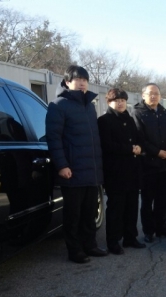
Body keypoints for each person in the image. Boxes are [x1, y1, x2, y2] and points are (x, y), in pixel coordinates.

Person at [46, 65, 107, 264]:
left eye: (84, 79)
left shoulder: (89, 106)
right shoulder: (58, 105)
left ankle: (90, 245)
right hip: (72, 171)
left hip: (91, 170)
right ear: (67, 82)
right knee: (73, 214)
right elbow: (54, 139)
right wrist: (62, 165)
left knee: (90, 212)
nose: (82, 83)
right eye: (77, 79)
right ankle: (75, 250)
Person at [97, 88, 146, 255]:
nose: (120, 103)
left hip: (132, 171)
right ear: (109, 102)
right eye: (116, 100)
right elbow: (107, 145)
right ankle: (113, 241)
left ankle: (130, 237)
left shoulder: (130, 119)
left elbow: (137, 139)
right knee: (116, 209)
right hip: (115, 172)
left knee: (132, 206)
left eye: (123, 100)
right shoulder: (104, 121)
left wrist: (139, 147)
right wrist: (130, 149)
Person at [133, 83, 166, 244]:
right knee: (147, 200)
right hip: (148, 164)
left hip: (164, 164)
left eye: (156, 94)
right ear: (143, 95)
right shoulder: (138, 113)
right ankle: (148, 231)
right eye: (150, 93)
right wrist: (158, 152)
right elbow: (140, 138)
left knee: (163, 199)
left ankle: (162, 228)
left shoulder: (164, 113)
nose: (153, 96)